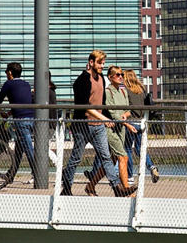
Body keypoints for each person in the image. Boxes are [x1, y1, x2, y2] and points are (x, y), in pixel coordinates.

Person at [63, 50, 128, 196]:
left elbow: (101, 102)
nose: (102, 66)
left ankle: (117, 188)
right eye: (99, 63)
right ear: (91, 62)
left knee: (106, 157)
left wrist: (104, 118)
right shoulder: (83, 80)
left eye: (103, 63)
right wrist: (104, 118)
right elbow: (86, 105)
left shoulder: (101, 79)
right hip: (83, 126)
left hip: (98, 126)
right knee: (76, 158)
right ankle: (66, 187)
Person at [0, 62, 37, 181]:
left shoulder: (9, 84)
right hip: (31, 118)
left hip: (20, 121)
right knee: (19, 150)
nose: (6, 74)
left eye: (6, 72)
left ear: (10, 72)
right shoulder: (26, 84)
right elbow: (23, 101)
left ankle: (38, 176)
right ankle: (11, 175)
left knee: (28, 149)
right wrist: (9, 114)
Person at [121, 68, 161, 183]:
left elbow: (126, 107)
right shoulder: (141, 90)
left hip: (130, 122)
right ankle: (151, 166)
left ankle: (129, 176)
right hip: (142, 122)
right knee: (139, 149)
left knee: (127, 149)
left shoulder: (126, 91)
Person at [97, 66, 134, 189]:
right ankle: (126, 189)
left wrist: (125, 115)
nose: (120, 77)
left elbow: (128, 110)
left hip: (121, 129)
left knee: (113, 159)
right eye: (117, 75)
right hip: (111, 129)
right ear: (110, 77)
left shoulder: (123, 91)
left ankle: (91, 186)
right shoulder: (108, 92)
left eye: (122, 74)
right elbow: (112, 113)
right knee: (123, 156)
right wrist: (126, 123)